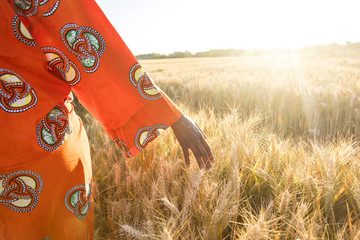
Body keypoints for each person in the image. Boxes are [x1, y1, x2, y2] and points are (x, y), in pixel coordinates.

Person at [0, 0, 214, 239]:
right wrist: (168, 114)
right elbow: (86, 42)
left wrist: (169, 114)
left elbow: (83, 40)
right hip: (46, 150)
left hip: (43, 152)